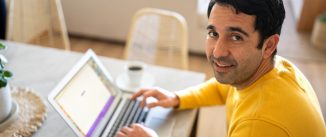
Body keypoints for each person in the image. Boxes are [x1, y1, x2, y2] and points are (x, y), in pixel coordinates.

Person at [117, 0, 326, 136]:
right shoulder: (272, 68)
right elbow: (223, 88)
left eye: (236, 37)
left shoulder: (259, 124)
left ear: (269, 45)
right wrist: (177, 98)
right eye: (213, 33)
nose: (217, 52)